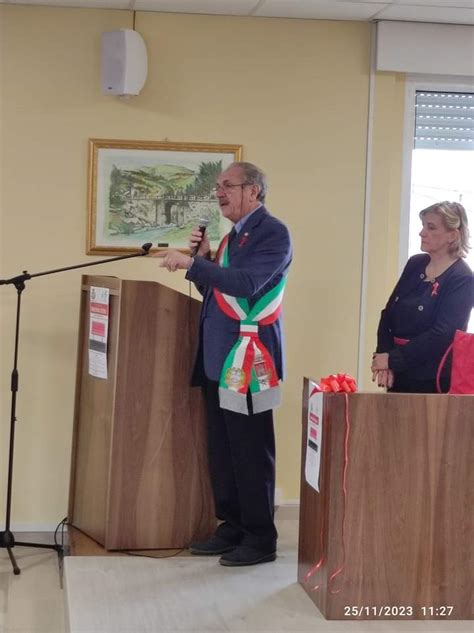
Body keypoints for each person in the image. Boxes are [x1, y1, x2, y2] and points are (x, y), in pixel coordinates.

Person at [155, 162, 292, 567]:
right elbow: (216, 291)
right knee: (223, 449)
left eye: (227, 185)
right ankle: (232, 525)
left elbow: (249, 285)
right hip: (219, 357)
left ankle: (259, 537)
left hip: (251, 359)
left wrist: (193, 263)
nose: (219, 193)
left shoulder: (272, 232)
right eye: (217, 187)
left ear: (253, 190)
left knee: (251, 449)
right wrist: (204, 260)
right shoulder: (234, 236)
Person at [372, 201, 472, 393]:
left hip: (430, 379)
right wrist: (383, 356)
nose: (422, 232)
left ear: (453, 235)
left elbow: (442, 334)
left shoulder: (463, 278)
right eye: (423, 225)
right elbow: (388, 313)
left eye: (431, 227)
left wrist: (393, 360)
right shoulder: (415, 263)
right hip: (397, 372)